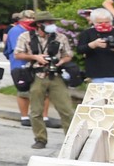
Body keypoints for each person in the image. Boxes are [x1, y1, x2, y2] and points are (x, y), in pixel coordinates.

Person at [16, 12, 77, 150]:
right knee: (36, 110)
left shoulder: (60, 37)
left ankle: (71, 139)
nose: (51, 25)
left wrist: (61, 62)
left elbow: (68, 55)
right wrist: (36, 57)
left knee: (66, 109)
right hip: (37, 75)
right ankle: (40, 139)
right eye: (48, 22)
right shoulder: (25, 37)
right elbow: (18, 54)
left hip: (55, 75)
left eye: (51, 22)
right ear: (39, 24)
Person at [6, 10, 37, 126]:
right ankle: (24, 116)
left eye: (33, 18)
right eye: (29, 18)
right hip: (20, 64)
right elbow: (17, 49)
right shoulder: (16, 31)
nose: (31, 20)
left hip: (35, 63)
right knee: (23, 90)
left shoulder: (34, 30)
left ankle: (43, 117)